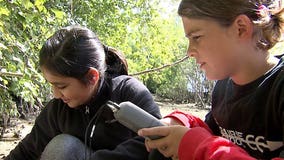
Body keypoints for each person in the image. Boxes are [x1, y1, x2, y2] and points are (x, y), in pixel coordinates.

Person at [138, 0, 284, 159]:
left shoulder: (279, 87)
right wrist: (182, 123)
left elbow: (205, 144)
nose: (189, 51)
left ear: (240, 28)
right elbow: (211, 134)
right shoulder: (223, 88)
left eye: (196, 37)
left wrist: (193, 145)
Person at [5, 25, 162, 160]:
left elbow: (158, 140)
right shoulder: (58, 109)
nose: (56, 95)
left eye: (61, 86)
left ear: (92, 77)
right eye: (52, 85)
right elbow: (27, 150)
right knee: (63, 146)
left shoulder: (129, 92)